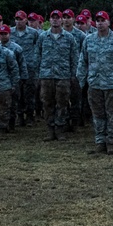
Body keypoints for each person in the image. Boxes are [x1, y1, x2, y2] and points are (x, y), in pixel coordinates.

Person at [76, 11, 113, 155]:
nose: (100, 23)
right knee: (98, 115)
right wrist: (81, 80)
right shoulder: (89, 40)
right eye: (98, 20)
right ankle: (100, 141)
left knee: (112, 114)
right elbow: (83, 61)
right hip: (94, 84)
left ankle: (111, 142)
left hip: (112, 85)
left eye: (103, 20)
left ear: (108, 22)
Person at [37, 10, 79, 141]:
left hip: (63, 76)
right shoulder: (43, 37)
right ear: (49, 20)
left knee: (62, 103)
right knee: (47, 103)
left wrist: (73, 76)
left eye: (58, 18)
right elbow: (37, 56)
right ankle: (50, 130)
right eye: (52, 18)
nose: (55, 20)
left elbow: (74, 58)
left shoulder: (69, 37)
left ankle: (60, 129)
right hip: (46, 76)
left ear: (61, 20)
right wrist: (39, 74)